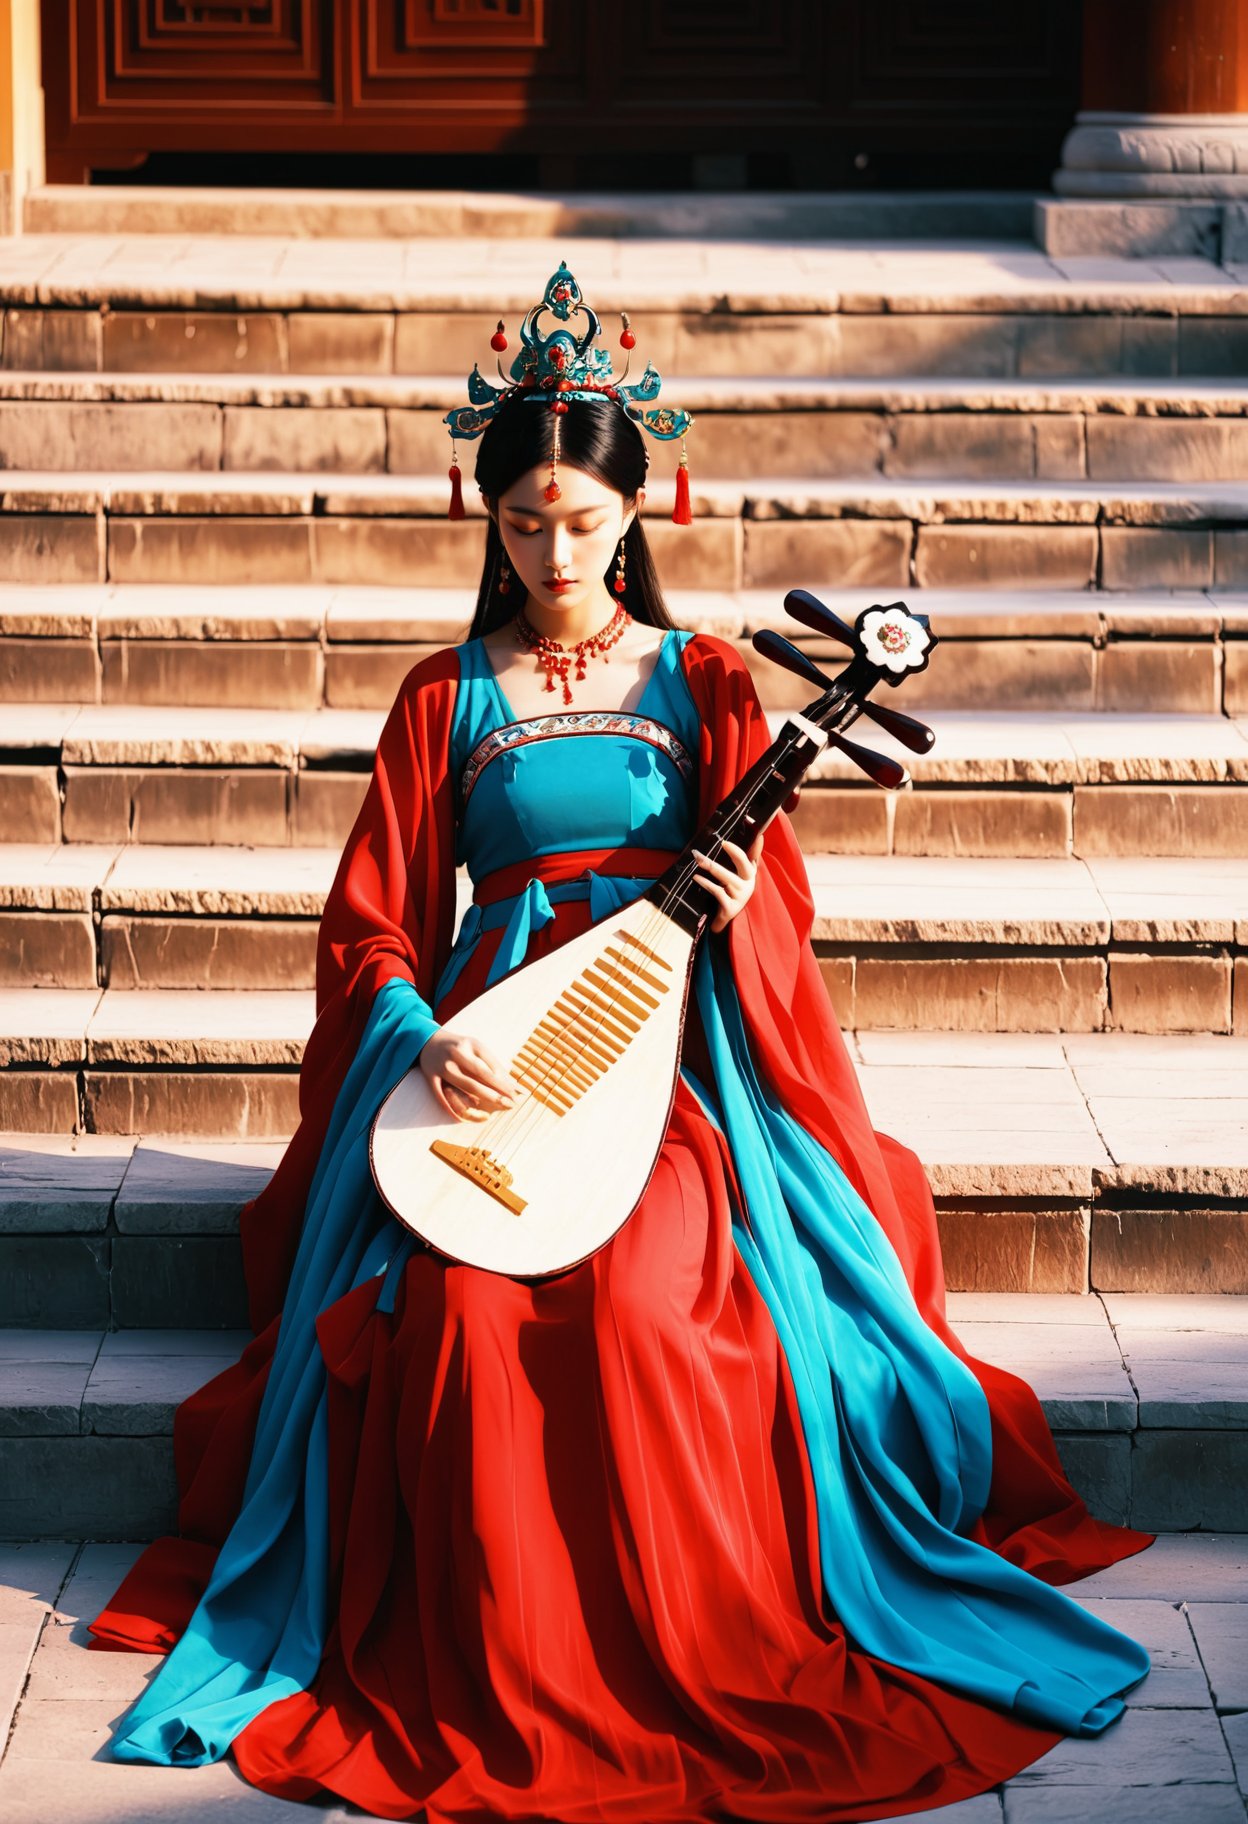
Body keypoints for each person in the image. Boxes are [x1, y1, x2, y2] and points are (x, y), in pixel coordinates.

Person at [87, 264, 1154, 1822]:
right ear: (489, 518)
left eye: (584, 523)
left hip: (669, 1065)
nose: (556, 554)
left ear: (637, 516)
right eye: (524, 522)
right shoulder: (440, 695)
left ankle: (691, 1638)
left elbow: (769, 914)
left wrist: (723, 907)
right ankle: (503, 1655)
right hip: (491, 1063)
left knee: (658, 1305)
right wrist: (414, 1036)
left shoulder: (708, 678)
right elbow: (373, 923)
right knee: (453, 1313)